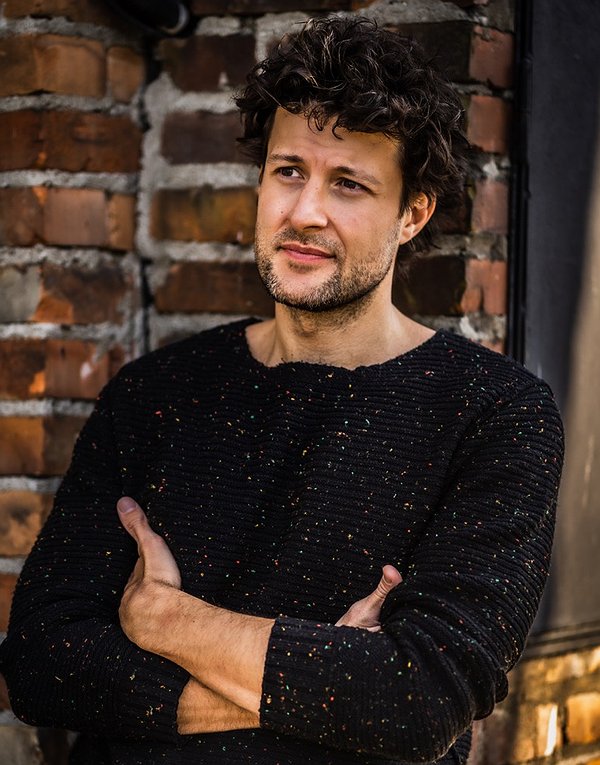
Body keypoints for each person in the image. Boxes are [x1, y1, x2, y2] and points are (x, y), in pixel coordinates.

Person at [0, 16, 563, 765]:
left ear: (412, 214)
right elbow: (41, 660)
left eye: (348, 184)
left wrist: (165, 620)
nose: (304, 213)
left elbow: (421, 698)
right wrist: (322, 683)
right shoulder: (157, 392)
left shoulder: (497, 413)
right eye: (289, 171)